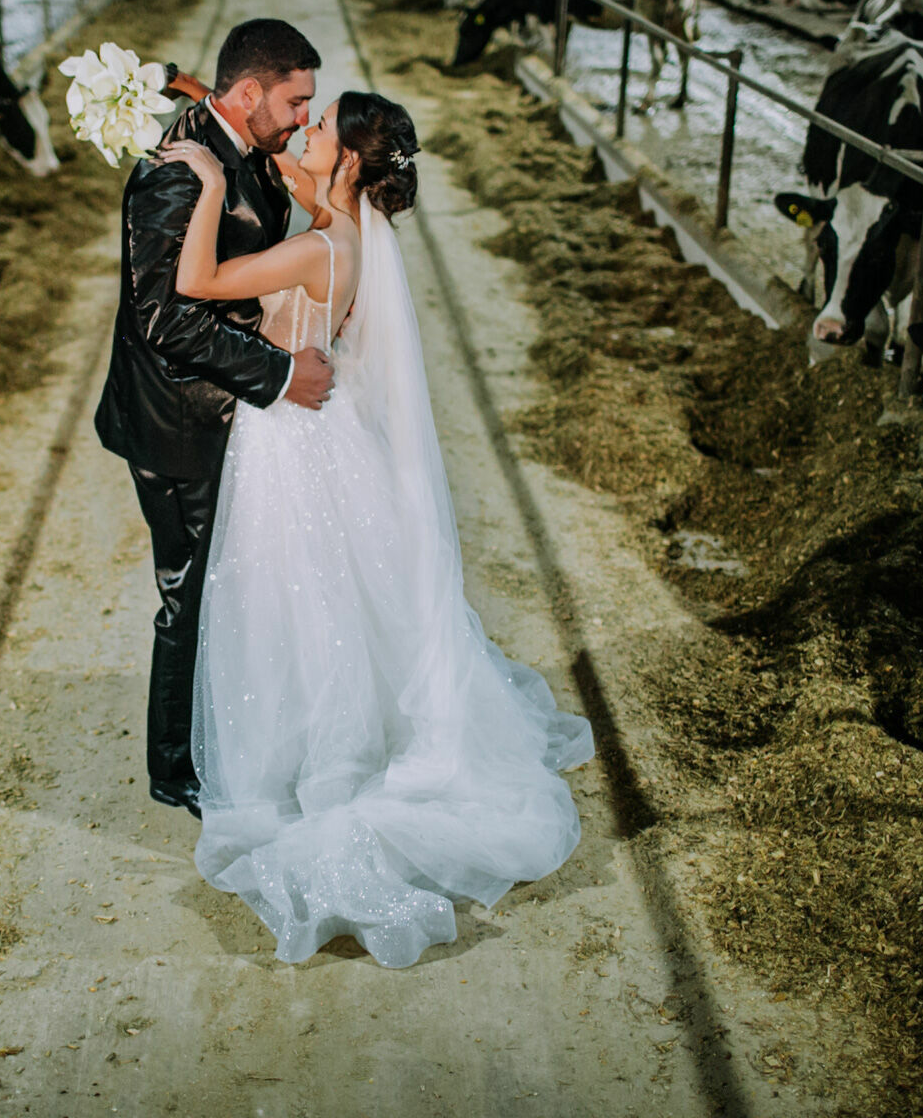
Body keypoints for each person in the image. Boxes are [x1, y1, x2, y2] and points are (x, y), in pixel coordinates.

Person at [158, 91, 595, 969]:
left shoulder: (323, 245)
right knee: (319, 607)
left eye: (320, 132)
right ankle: (311, 742)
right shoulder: (337, 233)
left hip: (287, 449)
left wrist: (205, 180)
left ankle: (308, 762)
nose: (306, 134)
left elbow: (196, 283)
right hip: (316, 439)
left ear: (350, 164)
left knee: (290, 610)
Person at [93, 19, 335, 817]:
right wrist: (278, 374)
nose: (304, 118)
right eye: (297, 102)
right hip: (176, 421)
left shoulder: (240, 137)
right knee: (189, 592)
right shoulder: (176, 175)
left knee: (228, 584)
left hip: (222, 410)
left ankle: (219, 734)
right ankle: (176, 770)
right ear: (250, 93)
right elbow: (161, 318)